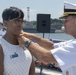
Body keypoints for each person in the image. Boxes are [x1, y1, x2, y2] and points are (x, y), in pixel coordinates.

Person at [18, 1, 76, 75]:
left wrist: (27, 42)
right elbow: (52, 46)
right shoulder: (72, 42)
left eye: (66, 20)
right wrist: (32, 36)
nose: (63, 23)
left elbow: (45, 57)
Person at [0, 7, 35, 75]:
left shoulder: (27, 43)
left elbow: (31, 70)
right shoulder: (1, 45)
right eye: (16, 21)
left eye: (22, 21)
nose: (20, 24)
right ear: (5, 23)